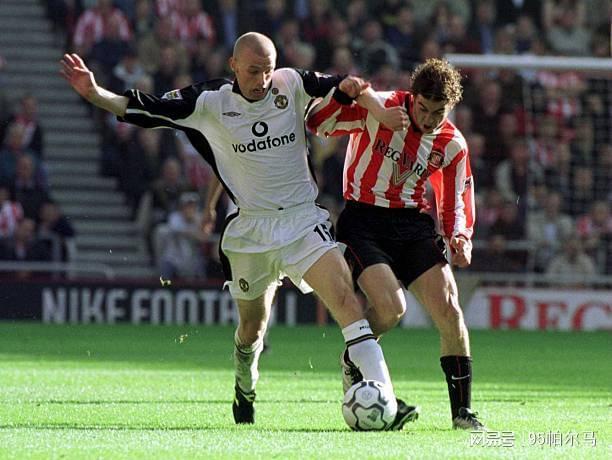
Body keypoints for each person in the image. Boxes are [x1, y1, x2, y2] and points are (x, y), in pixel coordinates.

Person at [60, 32, 417, 429]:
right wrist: (94, 92)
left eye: (267, 70)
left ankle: (384, 399)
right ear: (233, 66)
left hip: (302, 221)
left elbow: (349, 84)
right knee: (251, 329)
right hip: (249, 231)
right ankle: (245, 385)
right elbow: (146, 108)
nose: (262, 80)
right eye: (252, 71)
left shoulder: (291, 83)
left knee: (347, 302)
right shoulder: (208, 102)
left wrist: (378, 109)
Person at [307, 58, 486, 430]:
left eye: (438, 112)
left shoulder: (452, 143)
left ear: (450, 107)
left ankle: (462, 413)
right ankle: (355, 358)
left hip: (412, 225)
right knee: (391, 309)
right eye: (423, 108)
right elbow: (319, 123)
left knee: (450, 310)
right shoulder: (382, 107)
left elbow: (455, 197)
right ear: (412, 96)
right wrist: (347, 95)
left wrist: (460, 236)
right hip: (363, 221)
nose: (429, 118)